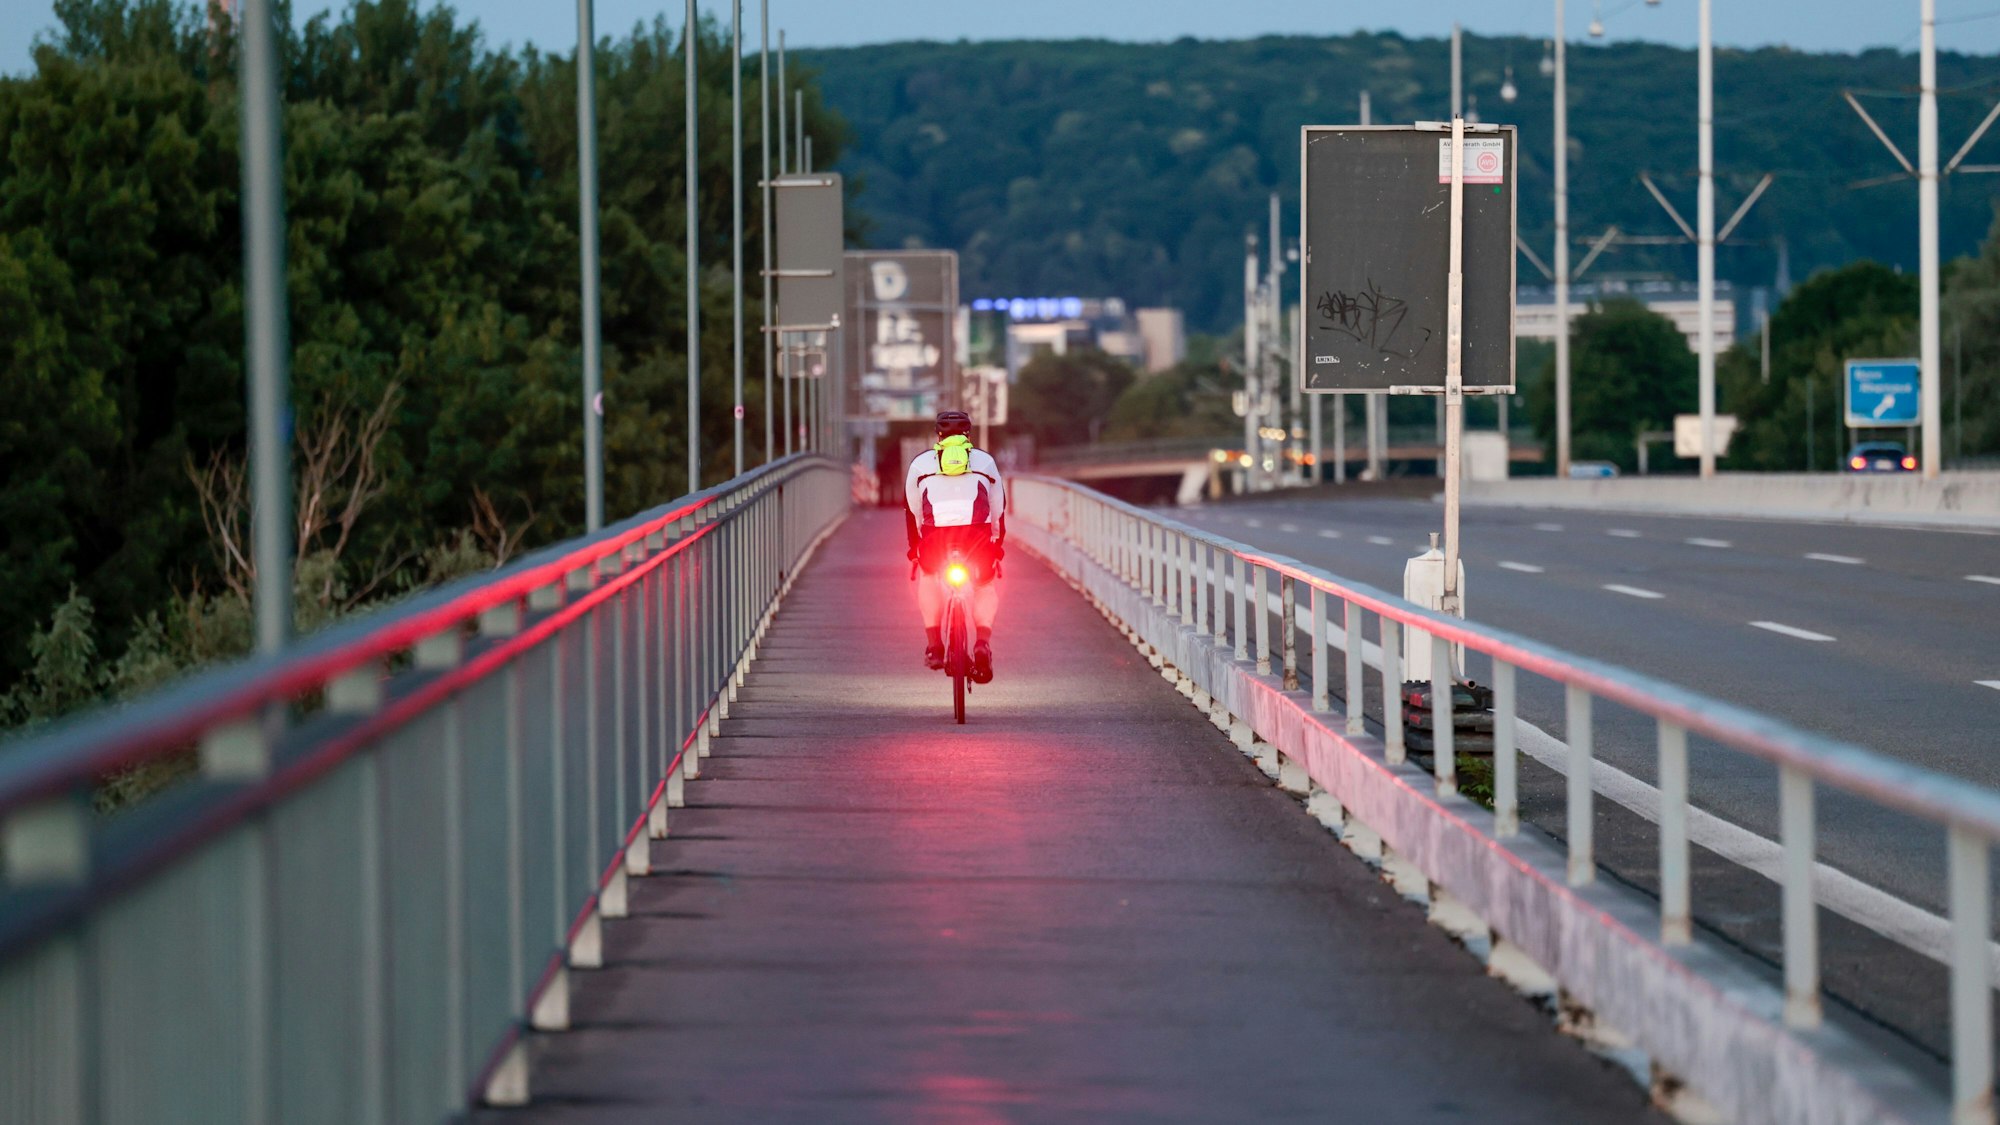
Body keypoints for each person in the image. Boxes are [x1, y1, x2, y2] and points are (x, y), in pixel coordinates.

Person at [905, 410, 1005, 682]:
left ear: (938, 435)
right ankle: (982, 643)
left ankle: (935, 645)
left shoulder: (921, 463)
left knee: (928, 576)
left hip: (935, 537)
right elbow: (998, 509)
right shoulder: (984, 461)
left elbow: (913, 509)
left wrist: (915, 546)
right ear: (968, 434)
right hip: (977, 537)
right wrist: (997, 543)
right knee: (984, 584)